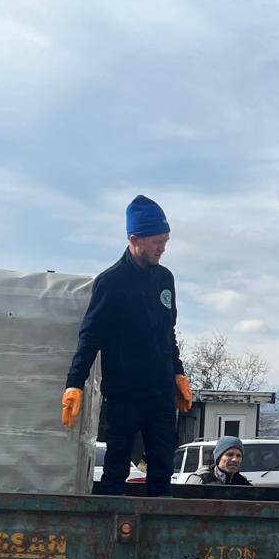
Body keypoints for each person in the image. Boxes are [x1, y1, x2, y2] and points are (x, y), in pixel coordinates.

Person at [62, 195, 193, 497]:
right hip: (125, 394)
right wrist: (74, 383)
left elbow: (167, 332)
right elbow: (90, 335)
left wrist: (178, 373)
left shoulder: (165, 279)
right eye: (157, 241)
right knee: (116, 469)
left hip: (160, 392)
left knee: (161, 469)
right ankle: (110, 534)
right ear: (135, 239)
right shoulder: (111, 282)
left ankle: (160, 535)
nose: (163, 248)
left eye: (166, 241)